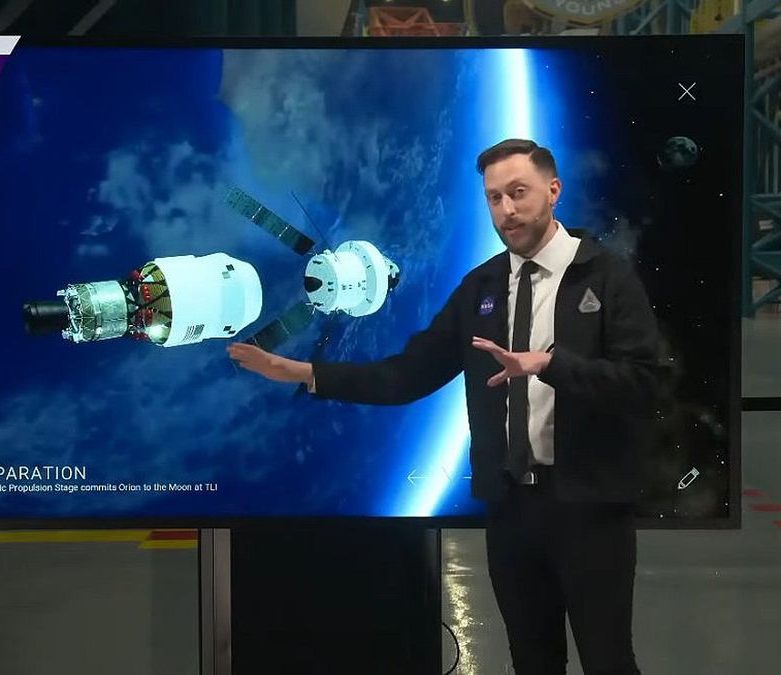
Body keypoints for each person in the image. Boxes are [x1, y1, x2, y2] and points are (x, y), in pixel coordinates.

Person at [228, 138, 658, 675]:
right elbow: (406, 375)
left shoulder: (608, 278)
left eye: (519, 193)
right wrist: (307, 373)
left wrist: (551, 366)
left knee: (608, 660)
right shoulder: (480, 288)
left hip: (591, 510)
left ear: (553, 191)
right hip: (511, 511)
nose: (507, 210)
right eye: (495, 197)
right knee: (531, 660)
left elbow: (645, 384)